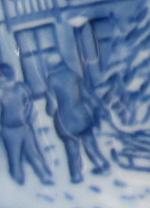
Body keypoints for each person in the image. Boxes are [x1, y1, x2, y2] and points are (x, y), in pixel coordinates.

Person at [44, 53, 110, 181]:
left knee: (72, 148)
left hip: (65, 122)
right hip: (82, 117)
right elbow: (86, 95)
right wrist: (97, 108)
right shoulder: (73, 74)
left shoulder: (51, 80)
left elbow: (51, 108)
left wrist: (50, 111)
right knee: (90, 143)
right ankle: (102, 165)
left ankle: (76, 175)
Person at [0, 63, 52, 186]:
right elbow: (30, 106)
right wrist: (28, 117)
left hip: (10, 128)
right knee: (31, 153)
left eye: (0, 75)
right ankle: (43, 176)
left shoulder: (0, 92)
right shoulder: (21, 88)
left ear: (2, 76)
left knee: (15, 156)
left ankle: (18, 180)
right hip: (21, 125)